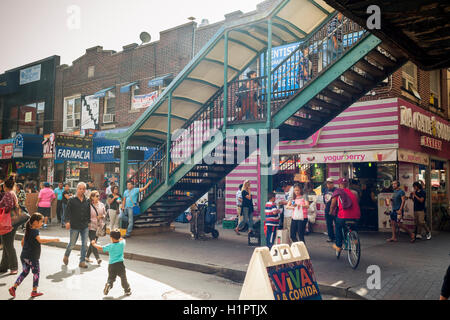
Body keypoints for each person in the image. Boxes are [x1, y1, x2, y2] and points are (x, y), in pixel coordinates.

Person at [8, 213, 59, 298]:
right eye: (41, 221)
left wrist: (26, 251)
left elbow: (22, 242)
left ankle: (13, 288)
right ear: (35, 222)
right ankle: (34, 291)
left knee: (25, 272)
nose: (42, 223)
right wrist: (53, 239)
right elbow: (40, 240)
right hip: (32, 257)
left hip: (24, 256)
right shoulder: (35, 231)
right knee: (36, 273)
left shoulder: (28, 229)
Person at [91, 229, 131, 296]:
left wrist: (94, 244)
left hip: (111, 265)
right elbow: (123, 239)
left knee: (111, 278)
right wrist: (119, 235)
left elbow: (100, 248)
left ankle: (109, 284)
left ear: (111, 238)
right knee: (123, 278)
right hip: (120, 264)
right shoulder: (122, 243)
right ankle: (127, 290)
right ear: (119, 237)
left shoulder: (110, 246)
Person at [329, 178, 361, 254]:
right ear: (347, 184)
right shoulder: (354, 193)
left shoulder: (338, 192)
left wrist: (330, 212)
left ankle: (338, 245)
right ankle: (355, 240)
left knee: (338, 226)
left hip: (344, 216)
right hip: (356, 216)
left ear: (339, 184)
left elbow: (333, 204)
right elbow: (357, 202)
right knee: (353, 226)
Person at [63, 182, 91, 268]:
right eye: (80, 188)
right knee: (72, 244)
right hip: (74, 225)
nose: (82, 190)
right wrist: (67, 222)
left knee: (84, 244)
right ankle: (66, 255)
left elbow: (88, 212)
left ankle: (82, 261)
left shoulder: (87, 200)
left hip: (84, 226)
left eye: (83, 189)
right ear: (77, 189)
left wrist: (89, 222)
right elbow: (67, 212)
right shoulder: (71, 200)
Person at [0, 176, 20, 274]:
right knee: (7, 244)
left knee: (8, 245)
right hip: (12, 222)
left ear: (5, 186)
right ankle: (3, 266)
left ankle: (14, 267)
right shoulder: (12, 193)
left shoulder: (8, 194)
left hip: (7, 222)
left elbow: (8, 207)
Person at [86, 190, 106, 265]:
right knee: (93, 242)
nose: (98, 197)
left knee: (93, 243)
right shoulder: (88, 205)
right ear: (92, 197)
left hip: (98, 227)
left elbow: (105, 214)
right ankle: (98, 258)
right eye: (96, 196)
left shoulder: (101, 204)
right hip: (90, 226)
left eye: (98, 196)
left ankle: (87, 257)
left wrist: (101, 216)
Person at [323, 178, 337, 243]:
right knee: (329, 224)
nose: (328, 184)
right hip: (327, 209)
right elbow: (325, 199)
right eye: (327, 183)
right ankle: (330, 237)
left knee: (337, 224)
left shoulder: (336, 190)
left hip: (335, 209)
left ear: (333, 183)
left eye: (330, 183)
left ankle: (338, 237)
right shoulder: (325, 190)